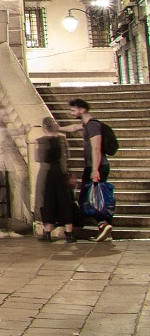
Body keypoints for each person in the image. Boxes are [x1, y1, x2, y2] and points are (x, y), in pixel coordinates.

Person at [66, 97, 116, 241]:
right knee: (98, 196)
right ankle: (106, 231)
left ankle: (103, 224)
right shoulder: (87, 125)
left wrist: (95, 170)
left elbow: (96, 148)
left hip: (96, 166)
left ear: (82, 110)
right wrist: (55, 128)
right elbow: (73, 127)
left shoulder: (92, 126)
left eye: (73, 110)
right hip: (96, 166)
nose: (71, 113)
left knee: (91, 198)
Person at [34, 115, 79, 241]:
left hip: (46, 174)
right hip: (61, 173)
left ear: (44, 127)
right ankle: (69, 233)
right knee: (65, 202)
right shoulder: (62, 139)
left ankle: (47, 232)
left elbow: (37, 158)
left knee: (48, 202)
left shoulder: (39, 141)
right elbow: (67, 156)